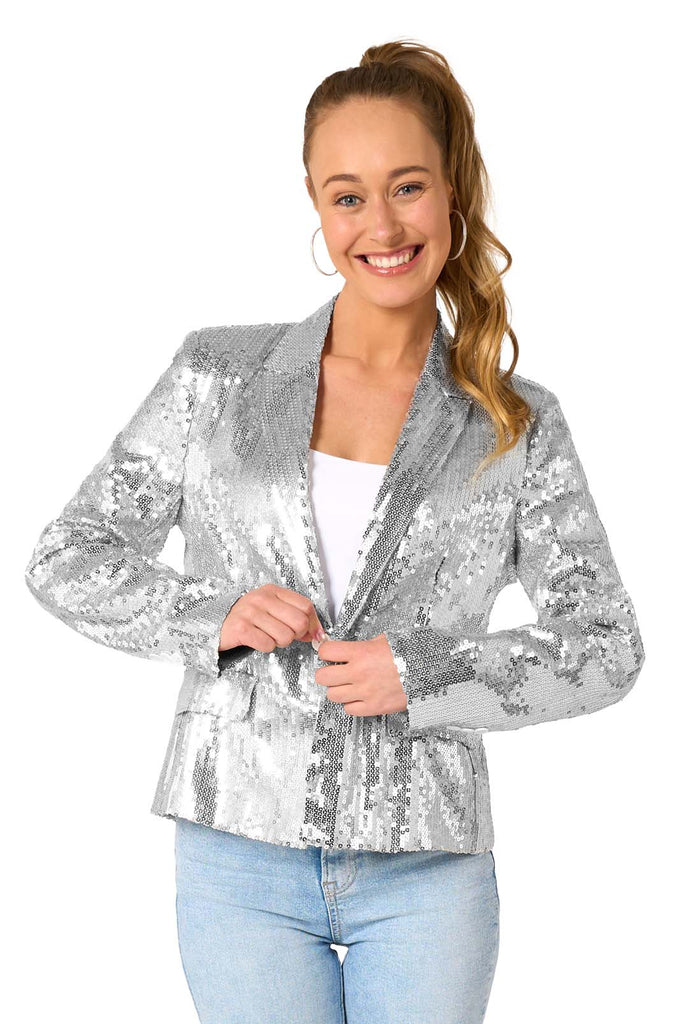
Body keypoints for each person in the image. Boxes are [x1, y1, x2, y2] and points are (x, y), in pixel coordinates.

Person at [24, 39, 645, 1024]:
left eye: (408, 187)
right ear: (316, 206)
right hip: (237, 851)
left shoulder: (513, 421)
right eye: (348, 195)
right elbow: (68, 557)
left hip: (427, 865)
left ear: (452, 194)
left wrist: (428, 672)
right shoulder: (217, 376)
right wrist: (214, 613)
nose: (382, 225)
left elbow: (606, 647)